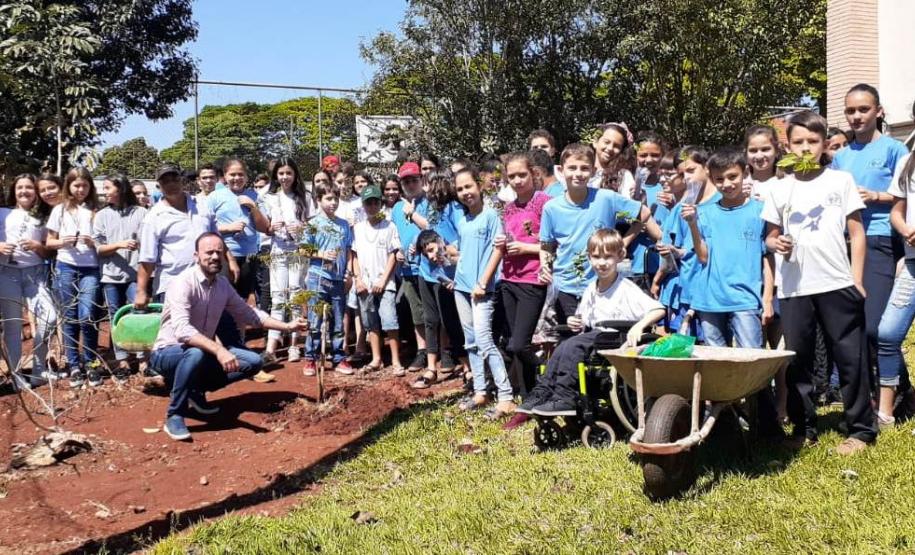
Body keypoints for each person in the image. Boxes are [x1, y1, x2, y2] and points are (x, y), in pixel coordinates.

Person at [762, 110, 877, 455]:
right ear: (788, 145)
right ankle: (804, 427)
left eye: (813, 141)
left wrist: (856, 279)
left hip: (836, 282)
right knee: (799, 361)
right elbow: (770, 237)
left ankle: (860, 429)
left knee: (849, 357)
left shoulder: (839, 181)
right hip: (796, 288)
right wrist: (776, 243)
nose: (806, 148)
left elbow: (857, 233)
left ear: (825, 144)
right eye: (799, 142)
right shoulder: (779, 189)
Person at [149, 232, 309, 441]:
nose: (215, 257)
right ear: (196, 256)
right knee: (195, 353)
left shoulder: (222, 285)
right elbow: (183, 331)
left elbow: (249, 314)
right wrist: (219, 350)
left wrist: (287, 326)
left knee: (252, 362)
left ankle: (195, 390)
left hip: (201, 352)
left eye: (219, 252)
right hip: (167, 353)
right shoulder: (183, 283)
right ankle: (175, 414)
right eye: (209, 253)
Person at [521, 229, 665, 416]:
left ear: (620, 257)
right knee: (562, 347)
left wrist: (639, 326)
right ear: (589, 258)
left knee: (573, 345)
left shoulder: (626, 287)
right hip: (596, 336)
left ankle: (565, 397)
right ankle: (544, 391)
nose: (602, 263)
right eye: (596, 257)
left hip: (616, 336)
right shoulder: (591, 287)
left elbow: (658, 309)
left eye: (608, 257)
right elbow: (584, 319)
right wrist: (575, 321)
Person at [832, 84, 910, 384]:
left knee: (875, 324)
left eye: (863, 109)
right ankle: (877, 390)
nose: (856, 116)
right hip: (849, 242)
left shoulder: (894, 150)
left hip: (881, 239)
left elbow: (907, 197)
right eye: (850, 110)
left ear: (878, 111)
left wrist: (876, 196)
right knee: (856, 321)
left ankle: (899, 387)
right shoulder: (842, 156)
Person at [539, 143, 660, 325]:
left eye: (584, 168)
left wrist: (622, 243)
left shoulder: (606, 199)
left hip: (601, 284)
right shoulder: (552, 208)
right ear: (561, 171)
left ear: (594, 171)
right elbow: (546, 245)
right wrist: (545, 266)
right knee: (569, 341)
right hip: (566, 286)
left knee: (599, 338)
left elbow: (642, 214)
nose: (578, 173)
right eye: (572, 168)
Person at [684, 148, 774, 348]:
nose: (727, 184)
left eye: (732, 176)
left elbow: (768, 258)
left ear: (745, 173)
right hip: (710, 299)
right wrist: (692, 224)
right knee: (716, 365)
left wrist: (767, 299)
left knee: (751, 361)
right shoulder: (704, 213)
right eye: (719, 179)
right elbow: (703, 257)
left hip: (746, 299)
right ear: (712, 179)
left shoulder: (760, 211)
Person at [451, 167, 515, 417]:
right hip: (461, 287)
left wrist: (483, 282)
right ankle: (481, 391)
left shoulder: (491, 216)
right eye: (460, 189)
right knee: (471, 342)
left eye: (468, 186)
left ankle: (506, 396)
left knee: (486, 340)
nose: (465, 192)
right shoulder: (463, 220)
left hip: (482, 289)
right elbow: (466, 252)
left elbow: (498, 251)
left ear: (478, 186)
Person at [876, 101, 915, 428]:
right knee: (887, 333)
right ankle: (885, 414)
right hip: (913, 266)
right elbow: (896, 213)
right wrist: (905, 231)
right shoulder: (907, 161)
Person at [498, 152, 548, 399]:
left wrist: (526, 248)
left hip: (533, 279)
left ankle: (546, 375)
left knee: (520, 343)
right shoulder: (508, 209)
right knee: (512, 343)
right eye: (512, 176)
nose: (517, 180)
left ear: (533, 174)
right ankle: (528, 396)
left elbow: (554, 244)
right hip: (509, 279)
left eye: (522, 175)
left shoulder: (543, 203)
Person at [136, 164, 222, 308]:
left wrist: (230, 261)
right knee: (175, 330)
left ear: (182, 180)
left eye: (174, 179)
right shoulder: (153, 217)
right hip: (172, 286)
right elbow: (147, 258)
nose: (171, 184)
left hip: (207, 283)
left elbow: (216, 239)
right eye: (165, 181)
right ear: (159, 186)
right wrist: (141, 291)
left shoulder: (202, 205)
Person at [45, 167, 101, 388]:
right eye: (76, 185)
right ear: (68, 186)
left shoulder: (96, 210)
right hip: (66, 266)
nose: (81, 189)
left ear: (90, 187)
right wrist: (63, 242)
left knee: (87, 314)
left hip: (90, 268)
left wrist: (92, 243)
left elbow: (104, 242)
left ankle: (92, 363)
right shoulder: (59, 210)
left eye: (85, 185)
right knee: (69, 316)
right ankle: (75, 365)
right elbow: (49, 242)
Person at [0, 174, 56, 389]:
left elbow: (48, 253)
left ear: (36, 192)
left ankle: (39, 368)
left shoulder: (42, 218)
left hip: (34, 274)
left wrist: (37, 246)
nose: (24, 191)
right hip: (7, 274)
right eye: (20, 187)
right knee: (13, 325)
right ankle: (16, 376)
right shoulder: (3, 213)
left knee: (50, 317)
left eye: (29, 188)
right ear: (14, 190)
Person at [412, 170, 467, 388]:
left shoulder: (456, 209)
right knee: (431, 320)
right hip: (428, 272)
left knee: (451, 321)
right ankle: (431, 368)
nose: (433, 190)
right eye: (430, 185)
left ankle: (466, 367)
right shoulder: (427, 207)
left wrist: (447, 252)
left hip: (449, 275)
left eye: (438, 185)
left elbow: (458, 242)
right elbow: (426, 232)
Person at [655, 146, 718, 335]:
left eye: (691, 170)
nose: (688, 178)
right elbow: (683, 250)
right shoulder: (682, 207)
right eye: (683, 174)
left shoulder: (724, 202)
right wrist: (672, 252)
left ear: (707, 168)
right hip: (688, 288)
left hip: (716, 292)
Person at [93, 174, 147, 383]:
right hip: (111, 276)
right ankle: (122, 360)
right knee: (116, 317)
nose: (104, 192)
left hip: (135, 274)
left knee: (138, 313)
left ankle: (143, 358)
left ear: (120, 188)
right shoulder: (102, 215)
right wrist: (119, 245)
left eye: (108, 188)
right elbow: (98, 248)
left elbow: (149, 242)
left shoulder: (142, 213)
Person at [301, 181, 354, 375]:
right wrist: (322, 254)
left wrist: (348, 271)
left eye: (336, 199)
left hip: (338, 279)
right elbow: (303, 249)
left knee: (338, 320)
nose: (333, 202)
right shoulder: (313, 223)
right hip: (318, 277)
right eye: (328, 198)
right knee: (315, 319)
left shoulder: (344, 225)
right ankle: (310, 358)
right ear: (319, 200)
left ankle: (339, 357)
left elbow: (348, 250)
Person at [261, 157, 310, 363]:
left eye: (288, 173)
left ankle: (293, 345)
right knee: (279, 297)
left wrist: (302, 228)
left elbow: (313, 225)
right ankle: (272, 347)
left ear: (295, 175)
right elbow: (262, 225)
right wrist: (271, 228)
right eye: (281, 173)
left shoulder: (305, 197)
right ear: (275, 176)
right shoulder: (268, 197)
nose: (284, 177)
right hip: (278, 250)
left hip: (298, 251)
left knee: (296, 296)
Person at [352, 184, 403, 374]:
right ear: (363, 205)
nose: (372, 206)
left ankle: (396, 361)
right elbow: (354, 256)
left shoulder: (389, 227)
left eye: (375, 202)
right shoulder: (357, 228)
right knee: (371, 322)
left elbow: (392, 254)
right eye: (368, 203)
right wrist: (358, 279)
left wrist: (383, 279)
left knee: (390, 321)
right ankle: (376, 358)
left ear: (380, 204)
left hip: (385, 282)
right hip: (365, 283)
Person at [208, 159, 270, 306]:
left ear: (247, 177)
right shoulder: (215, 197)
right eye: (232, 174)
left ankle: (240, 329)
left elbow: (265, 228)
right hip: (224, 254)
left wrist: (252, 207)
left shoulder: (255, 196)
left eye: (240, 174)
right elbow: (205, 228)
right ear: (225, 176)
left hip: (250, 255)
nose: (237, 178)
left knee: (244, 300)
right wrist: (228, 228)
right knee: (223, 298)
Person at [391, 162, 430, 373]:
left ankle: (442, 350)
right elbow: (394, 235)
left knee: (434, 313)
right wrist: (397, 250)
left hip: (429, 268)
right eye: (406, 181)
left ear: (421, 180)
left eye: (414, 180)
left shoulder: (428, 202)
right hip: (407, 269)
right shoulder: (397, 208)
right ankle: (422, 351)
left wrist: (412, 213)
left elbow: (431, 227)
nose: (411, 184)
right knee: (417, 313)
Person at [628, 132, 667, 289]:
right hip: (637, 264)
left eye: (655, 155)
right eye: (643, 155)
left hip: (664, 264)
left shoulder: (668, 185)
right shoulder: (628, 184)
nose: (649, 160)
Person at [591, 123, 638, 197]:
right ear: (595, 142)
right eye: (606, 142)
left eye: (616, 146)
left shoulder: (623, 176)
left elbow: (627, 206)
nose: (610, 148)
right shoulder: (580, 168)